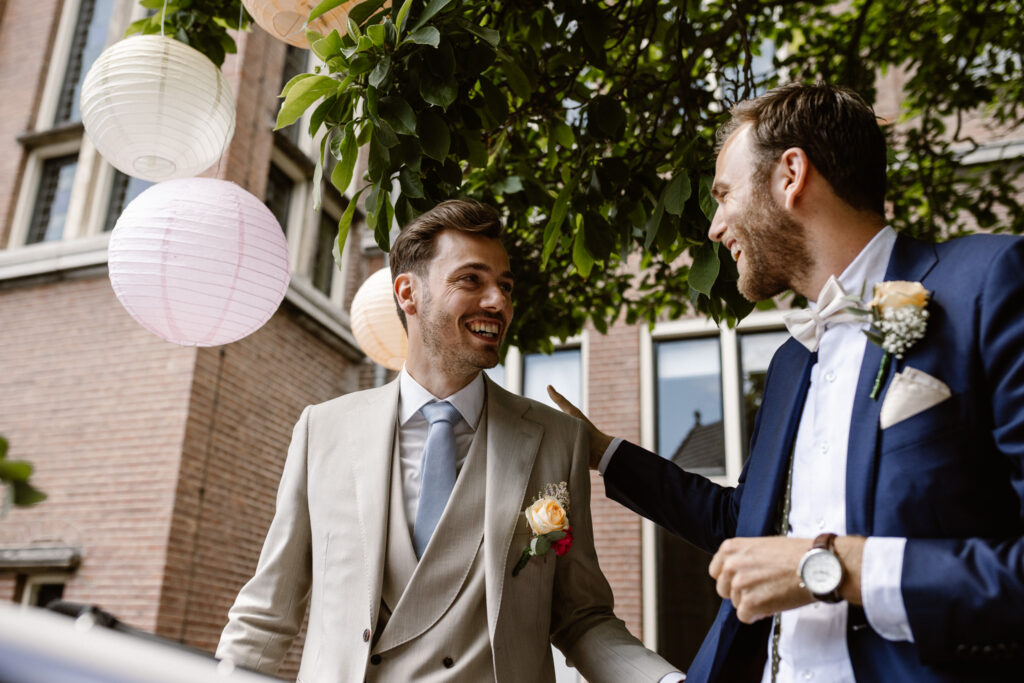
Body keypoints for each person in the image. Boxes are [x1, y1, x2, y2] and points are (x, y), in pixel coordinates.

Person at [550, 82, 1024, 682]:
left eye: (724, 195)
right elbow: (741, 522)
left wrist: (832, 567)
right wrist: (601, 451)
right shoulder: (789, 364)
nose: (715, 227)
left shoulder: (989, 285)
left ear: (791, 175)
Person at [216, 199, 679, 682]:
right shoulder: (323, 430)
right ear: (408, 294)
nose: (498, 302)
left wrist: (666, 682)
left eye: (505, 286)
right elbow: (267, 613)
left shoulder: (557, 440)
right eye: (471, 280)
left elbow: (582, 618)